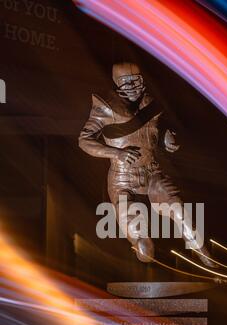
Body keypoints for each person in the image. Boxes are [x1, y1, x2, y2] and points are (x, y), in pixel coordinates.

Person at [79, 62, 215, 266]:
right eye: (127, 82)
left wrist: (166, 140)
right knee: (145, 250)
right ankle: (145, 257)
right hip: (123, 179)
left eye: (137, 80)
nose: (133, 86)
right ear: (117, 83)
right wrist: (117, 153)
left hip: (152, 172)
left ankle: (207, 260)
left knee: (179, 209)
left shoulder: (150, 103)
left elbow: (153, 134)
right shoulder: (106, 107)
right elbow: (84, 140)